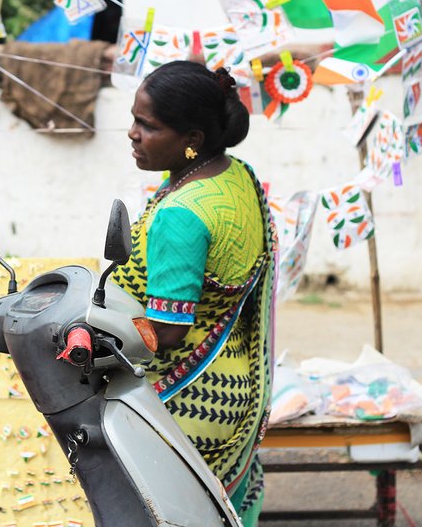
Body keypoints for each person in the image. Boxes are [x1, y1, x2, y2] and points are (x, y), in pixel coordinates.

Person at [111, 61, 277, 525]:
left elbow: (164, 332)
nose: (133, 133)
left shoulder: (181, 214)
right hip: (235, 380)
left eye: (148, 125)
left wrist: (89, 331)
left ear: (193, 139)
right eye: (134, 119)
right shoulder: (235, 176)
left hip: (187, 396)